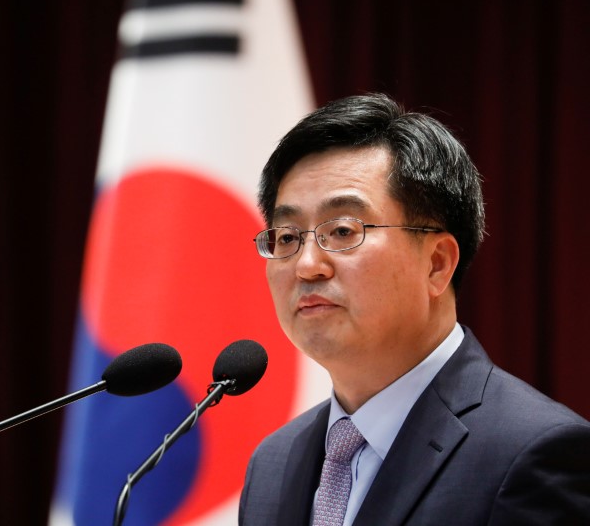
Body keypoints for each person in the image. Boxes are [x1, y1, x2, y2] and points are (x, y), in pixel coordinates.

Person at [238, 93, 590, 525]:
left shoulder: (532, 452)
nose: (308, 265)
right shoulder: (272, 465)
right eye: (288, 237)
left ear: (437, 264)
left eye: (344, 230)